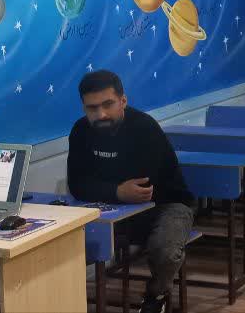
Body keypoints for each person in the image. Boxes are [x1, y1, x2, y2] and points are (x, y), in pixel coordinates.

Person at [67, 70, 195, 313]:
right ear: (84, 108)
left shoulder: (145, 128)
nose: (101, 114)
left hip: (166, 205)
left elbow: (141, 189)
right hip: (110, 207)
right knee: (60, 242)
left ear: (123, 101)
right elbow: (77, 184)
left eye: (108, 104)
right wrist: (116, 191)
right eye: (92, 108)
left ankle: (156, 295)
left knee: (165, 251)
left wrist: (101, 187)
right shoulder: (80, 131)